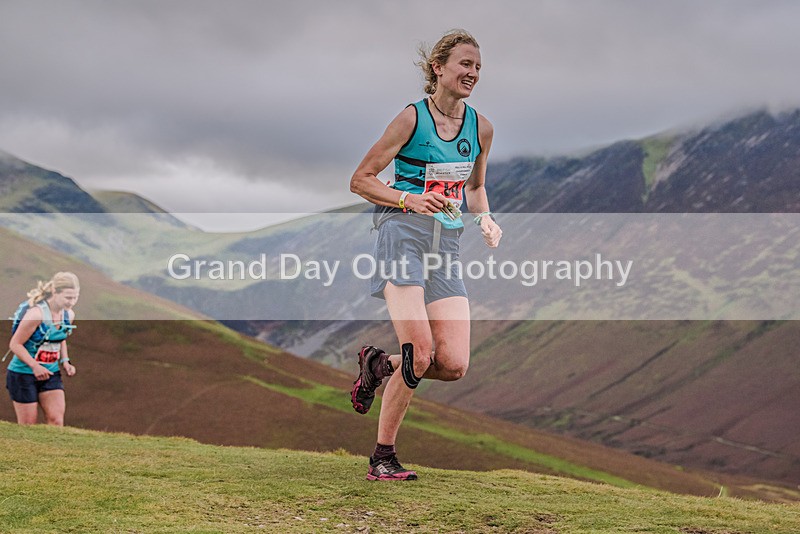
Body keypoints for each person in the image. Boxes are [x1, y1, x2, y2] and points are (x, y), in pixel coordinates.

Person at [349, 30, 502, 481]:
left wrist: (485, 219)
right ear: (438, 67)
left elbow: (475, 187)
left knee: (452, 364)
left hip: (446, 247)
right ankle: (382, 457)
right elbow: (360, 179)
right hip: (402, 237)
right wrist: (407, 199)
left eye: (478, 67)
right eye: (465, 64)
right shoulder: (411, 119)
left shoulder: (481, 128)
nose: (473, 73)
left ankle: (379, 365)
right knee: (419, 351)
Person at [5, 272, 79, 425]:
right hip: (23, 374)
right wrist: (35, 366)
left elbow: (60, 337)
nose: (71, 302)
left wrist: (65, 361)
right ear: (54, 292)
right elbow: (15, 344)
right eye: (68, 298)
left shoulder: (69, 315)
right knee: (28, 425)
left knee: (56, 420)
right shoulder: (36, 314)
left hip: (51, 373)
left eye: (75, 298)